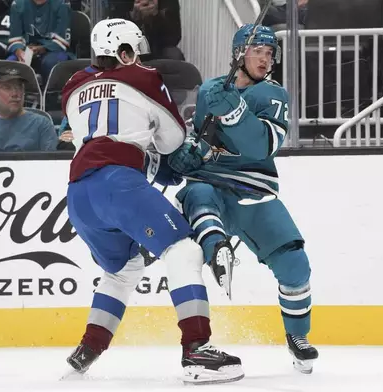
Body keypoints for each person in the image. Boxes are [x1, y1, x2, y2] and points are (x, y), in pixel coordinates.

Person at [61, 18, 243, 385]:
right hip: (118, 184)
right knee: (182, 251)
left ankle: (87, 350)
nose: (141, 59)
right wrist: (186, 155)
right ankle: (196, 349)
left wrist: (154, 161)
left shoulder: (72, 86)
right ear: (124, 52)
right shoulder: (145, 78)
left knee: (123, 270)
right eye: (135, 52)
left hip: (79, 193)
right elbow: (173, 142)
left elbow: (113, 134)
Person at [166, 24, 319, 374]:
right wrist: (191, 153)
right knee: (198, 193)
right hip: (211, 185)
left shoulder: (273, 95)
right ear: (239, 54)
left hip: (254, 192)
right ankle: (218, 249)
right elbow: (205, 140)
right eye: (258, 52)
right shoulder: (209, 90)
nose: (265, 60)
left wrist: (235, 112)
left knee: (296, 264)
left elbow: (262, 146)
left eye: (269, 54)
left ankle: (298, 337)